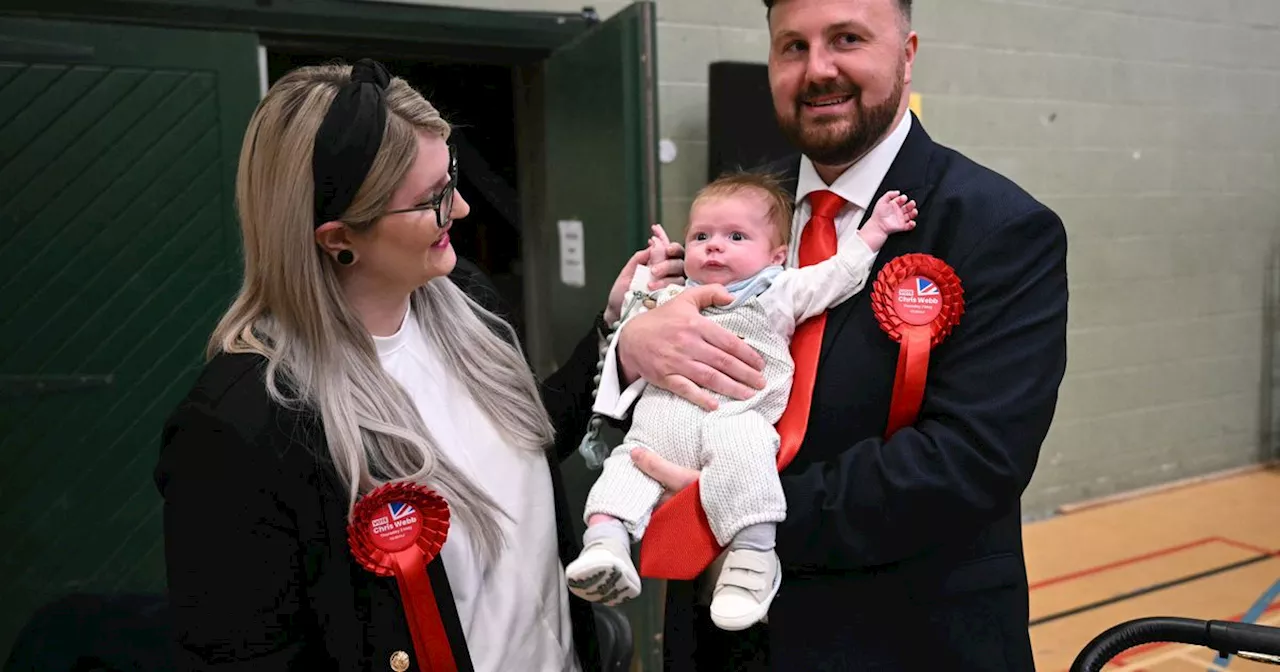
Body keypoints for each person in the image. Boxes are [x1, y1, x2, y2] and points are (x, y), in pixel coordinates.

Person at [151, 59, 680, 672]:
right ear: (336, 237)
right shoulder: (240, 424)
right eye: (431, 200)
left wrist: (614, 333)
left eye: (449, 177)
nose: (459, 211)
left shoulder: (464, 299)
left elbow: (525, 440)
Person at [593, 0, 1070, 669]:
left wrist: (736, 505)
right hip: (723, 644)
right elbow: (659, 386)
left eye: (847, 39)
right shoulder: (741, 215)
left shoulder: (999, 227)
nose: (817, 69)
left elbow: (972, 461)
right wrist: (627, 347)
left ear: (905, 54)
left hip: (900, 639)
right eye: (793, 47)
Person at [564, 172, 916, 633]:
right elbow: (628, 321)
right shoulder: (670, 296)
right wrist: (645, 280)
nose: (714, 246)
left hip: (732, 418)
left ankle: (752, 559)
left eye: (735, 237)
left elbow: (837, 276)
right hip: (658, 428)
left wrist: (876, 230)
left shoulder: (777, 292)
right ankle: (606, 548)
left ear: (775, 256)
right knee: (626, 466)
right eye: (700, 236)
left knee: (748, 456)